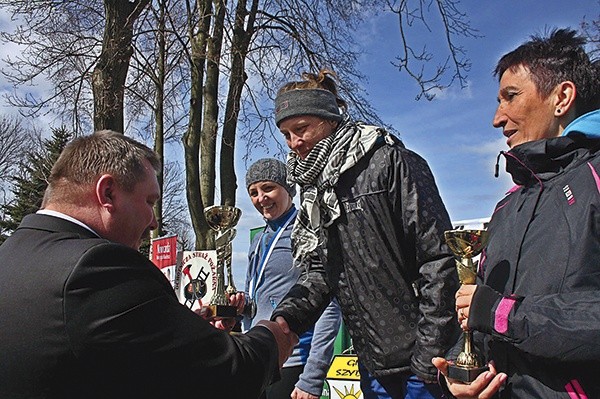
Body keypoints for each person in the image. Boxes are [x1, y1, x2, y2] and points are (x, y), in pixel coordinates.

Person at [0, 130, 297, 399]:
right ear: (108, 193)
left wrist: (181, 329)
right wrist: (270, 339)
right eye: (150, 202)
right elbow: (226, 375)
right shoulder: (98, 267)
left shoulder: (10, 256)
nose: (154, 221)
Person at [269, 69, 461, 399]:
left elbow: (439, 259)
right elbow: (320, 273)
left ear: (329, 119)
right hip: (373, 362)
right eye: (286, 134)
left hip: (424, 363)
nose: (294, 143)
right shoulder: (315, 192)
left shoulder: (391, 163)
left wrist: (428, 355)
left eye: (301, 130)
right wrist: (284, 320)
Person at [432, 28, 600, 398]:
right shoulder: (508, 206)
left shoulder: (596, 178)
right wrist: (461, 376)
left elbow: (496, 311)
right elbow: (481, 311)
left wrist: (501, 314)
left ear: (562, 97)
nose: (497, 118)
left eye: (511, 96)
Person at [242, 158, 342, 399]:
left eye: (268, 188)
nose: (260, 198)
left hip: (295, 359)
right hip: (259, 356)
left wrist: (312, 375)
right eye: (253, 192)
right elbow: (258, 298)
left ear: (288, 188)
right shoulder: (259, 239)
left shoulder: (308, 230)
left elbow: (330, 304)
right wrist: (238, 306)